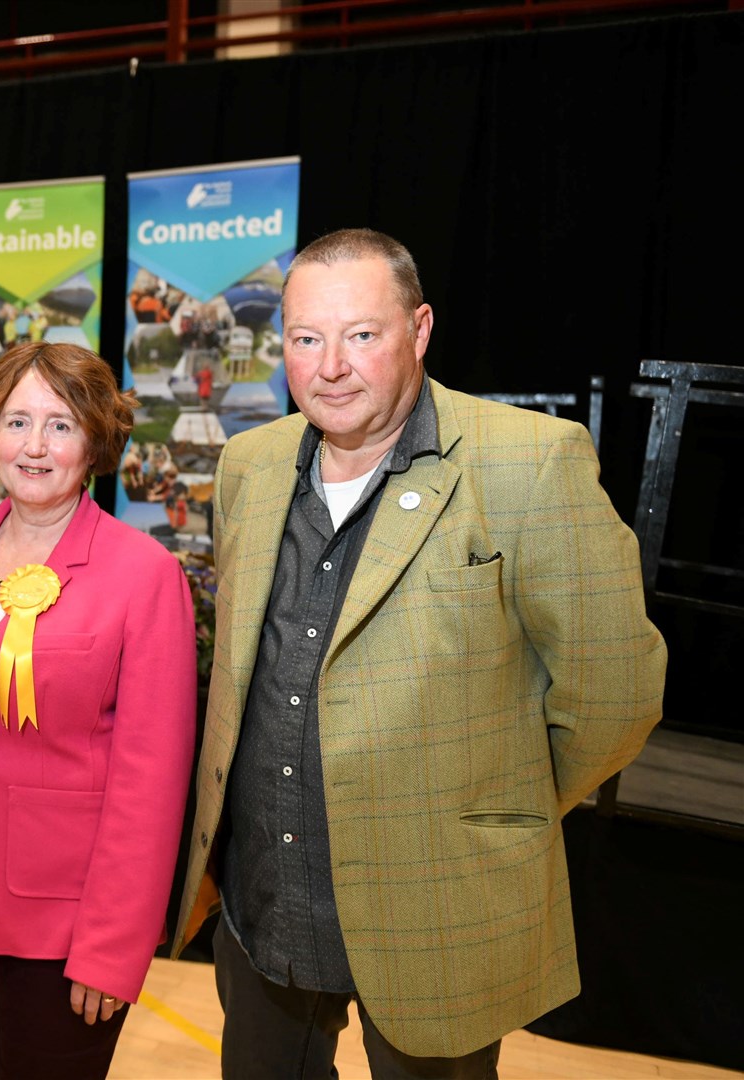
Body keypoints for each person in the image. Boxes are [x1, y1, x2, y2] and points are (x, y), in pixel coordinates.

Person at [171, 228, 666, 1077]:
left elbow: (616, 692)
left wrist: (492, 807)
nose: (330, 366)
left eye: (362, 334)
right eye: (305, 338)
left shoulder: (527, 464)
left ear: (420, 329)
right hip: (265, 902)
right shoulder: (249, 466)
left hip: (435, 908)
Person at [0, 340, 198, 1079]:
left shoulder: (145, 575)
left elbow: (152, 781)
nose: (34, 446)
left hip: (65, 925)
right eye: (16, 422)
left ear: (96, 441)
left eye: (61, 425)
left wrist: (112, 946)